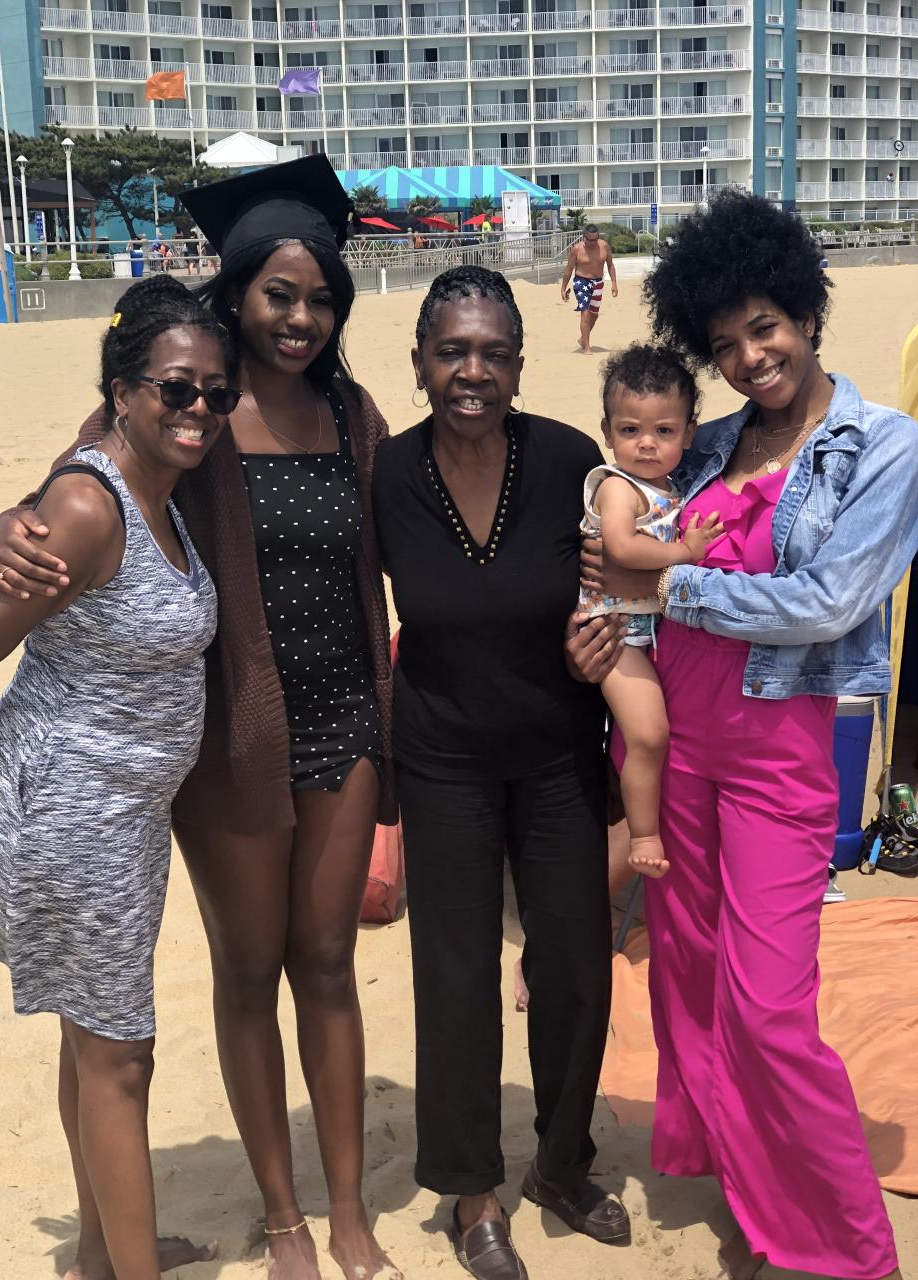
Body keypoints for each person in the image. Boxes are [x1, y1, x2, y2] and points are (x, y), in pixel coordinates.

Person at [0, 156, 399, 1280]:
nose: (300, 317)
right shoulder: (184, 402)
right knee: (248, 964)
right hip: (230, 738)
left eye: (319, 297)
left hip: (345, 722)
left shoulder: (352, 414)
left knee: (328, 959)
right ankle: (282, 1216)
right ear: (237, 292)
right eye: (278, 293)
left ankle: (349, 1204)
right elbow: (74, 494)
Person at [576, 190, 916, 1280]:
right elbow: (617, 545)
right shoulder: (710, 439)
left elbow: (828, 600)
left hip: (777, 757)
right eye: (724, 343)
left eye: (764, 327)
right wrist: (609, 621)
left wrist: (668, 590)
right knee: (690, 973)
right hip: (677, 742)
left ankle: (842, 1242)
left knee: (771, 1006)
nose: (749, 357)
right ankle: (752, 1190)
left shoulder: (883, 446)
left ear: (807, 312)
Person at [0, 275, 238, 1280]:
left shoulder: (152, 489)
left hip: (116, 812)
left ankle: (97, 1252)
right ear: (122, 390)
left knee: (95, 1042)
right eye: (175, 388)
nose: (198, 408)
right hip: (68, 803)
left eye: (216, 390)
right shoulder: (87, 502)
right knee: (120, 1052)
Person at [372, 266, 630, 1280]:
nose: (472, 370)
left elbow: (616, 583)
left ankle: (563, 1163)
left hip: (561, 756)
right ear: (422, 362)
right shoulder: (387, 473)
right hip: (441, 761)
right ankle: (472, 1188)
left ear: (519, 365)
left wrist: (602, 642)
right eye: (452, 350)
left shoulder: (569, 458)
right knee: (456, 975)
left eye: (493, 352)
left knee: (573, 967)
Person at [578, 344, 723, 878]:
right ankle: (643, 833)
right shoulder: (620, 487)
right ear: (607, 430)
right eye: (630, 429)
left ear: (689, 433)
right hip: (616, 633)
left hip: (648, 631)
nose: (646, 444)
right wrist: (684, 553)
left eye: (664, 431)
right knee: (648, 734)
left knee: (658, 734)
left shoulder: (672, 487)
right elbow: (621, 549)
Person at [560, 224, 619, 353]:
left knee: (594, 315)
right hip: (581, 281)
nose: (593, 242)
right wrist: (563, 288)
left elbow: (610, 265)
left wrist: (614, 283)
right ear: (584, 237)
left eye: (595, 239)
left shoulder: (604, 246)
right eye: (590, 239)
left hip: (598, 282)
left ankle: (582, 339)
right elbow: (569, 269)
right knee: (585, 313)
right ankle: (587, 347)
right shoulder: (577, 249)